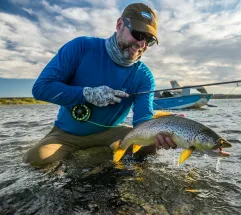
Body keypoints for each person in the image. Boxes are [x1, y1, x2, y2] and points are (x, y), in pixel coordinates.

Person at [23, 3, 177, 166]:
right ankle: (97, 161)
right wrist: (87, 94)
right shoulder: (81, 47)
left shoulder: (144, 76)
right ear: (119, 25)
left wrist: (164, 130)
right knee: (34, 160)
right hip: (66, 135)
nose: (142, 44)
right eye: (138, 34)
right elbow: (40, 88)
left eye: (149, 40)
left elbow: (142, 121)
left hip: (111, 133)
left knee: (150, 146)